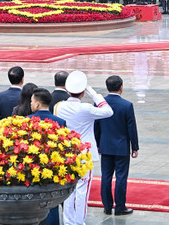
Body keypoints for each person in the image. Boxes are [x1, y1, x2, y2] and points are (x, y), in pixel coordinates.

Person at [53, 71, 113, 225]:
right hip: (85, 154)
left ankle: (68, 221)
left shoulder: (59, 106)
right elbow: (108, 111)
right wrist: (92, 92)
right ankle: (79, 221)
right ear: (82, 92)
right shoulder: (86, 108)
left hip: (67, 153)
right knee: (82, 191)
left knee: (68, 189)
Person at [94, 75, 139, 216]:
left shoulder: (99, 104)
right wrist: (135, 147)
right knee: (121, 177)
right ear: (121, 87)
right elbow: (131, 128)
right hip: (121, 147)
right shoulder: (126, 105)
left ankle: (107, 206)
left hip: (105, 146)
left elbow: (96, 126)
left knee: (106, 177)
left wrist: (97, 144)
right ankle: (120, 207)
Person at [29, 88, 66, 225]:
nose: (30, 104)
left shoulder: (28, 121)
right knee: (52, 201)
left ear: (37, 104)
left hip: (32, 167)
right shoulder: (60, 121)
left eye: (32, 101)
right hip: (53, 167)